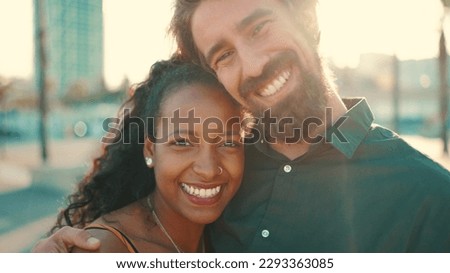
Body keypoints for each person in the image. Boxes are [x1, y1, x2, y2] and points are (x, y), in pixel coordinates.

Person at [34, 0, 450, 252]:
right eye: (223, 55)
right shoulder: (216, 170)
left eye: (259, 26)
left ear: (307, 18)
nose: (252, 65)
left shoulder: (429, 196)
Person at [43, 59, 245, 252]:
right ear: (150, 150)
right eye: (182, 142)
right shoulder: (104, 249)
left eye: (228, 143)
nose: (208, 170)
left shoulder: (231, 238)